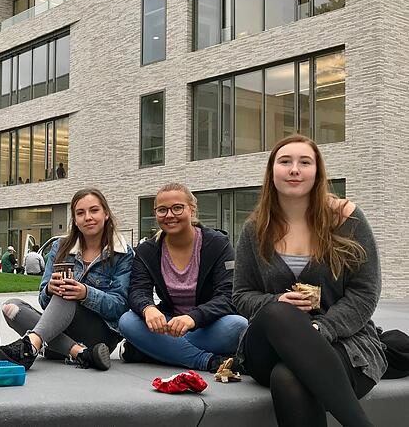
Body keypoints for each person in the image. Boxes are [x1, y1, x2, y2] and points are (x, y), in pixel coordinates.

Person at [233, 135, 385, 427]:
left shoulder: (348, 219)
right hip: (269, 346)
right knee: (278, 312)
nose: (294, 169)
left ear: (317, 172)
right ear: (271, 171)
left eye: (305, 162)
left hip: (345, 343)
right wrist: (277, 300)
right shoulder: (255, 228)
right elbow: (241, 294)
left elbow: (365, 294)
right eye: (285, 162)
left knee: (289, 377)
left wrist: (321, 328)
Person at [0, 188, 133, 371]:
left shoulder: (123, 252)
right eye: (80, 213)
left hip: (100, 335)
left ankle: (31, 345)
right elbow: (44, 302)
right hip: (61, 331)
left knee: (67, 291)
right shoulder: (60, 247)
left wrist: (85, 293)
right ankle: (80, 353)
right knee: (11, 307)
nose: (88, 217)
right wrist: (49, 290)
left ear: (106, 214)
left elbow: (120, 307)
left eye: (94, 210)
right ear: (74, 219)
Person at [118, 183, 247, 372]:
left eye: (177, 208)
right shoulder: (147, 251)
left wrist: (193, 317)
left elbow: (229, 295)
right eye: (162, 210)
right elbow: (138, 290)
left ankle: (153, 350)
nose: (169, 215)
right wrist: (148, 309)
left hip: (207, 325)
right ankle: (206, 361)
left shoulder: (217, 244)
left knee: (238, 325)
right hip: (167, 325)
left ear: (192, 209)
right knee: (127, 322)